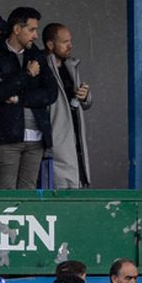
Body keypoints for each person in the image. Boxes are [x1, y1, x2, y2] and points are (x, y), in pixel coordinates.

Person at [0, 7, 56, 190]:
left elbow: (51, 93)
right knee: (7, 196)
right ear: (17, 29)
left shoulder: (36, 55)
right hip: (6, 137)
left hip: (36, 138)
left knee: (28, 195)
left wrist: (20, 99)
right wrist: (27, 75)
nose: (36, 35)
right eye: (31, 29)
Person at [42, 22, 90, 188]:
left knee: (78, 184)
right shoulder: (42, 68)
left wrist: (85, 96)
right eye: (65, 42)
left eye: (70, 41)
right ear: (50, 44)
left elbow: (82, 102)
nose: (70, 45)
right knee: (59, 189)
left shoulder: (71, 66)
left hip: (75, 137)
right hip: (57, 141)